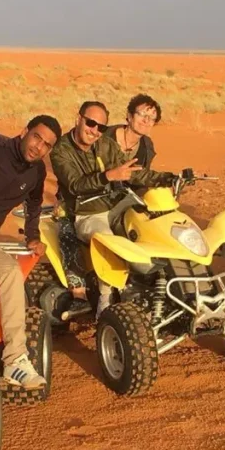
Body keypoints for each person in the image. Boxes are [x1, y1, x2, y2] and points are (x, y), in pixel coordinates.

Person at [49, 100, 175, 317]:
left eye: (102, 127)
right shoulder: (61, 151)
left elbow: (132, 172)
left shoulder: (105, 145)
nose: (95, 131)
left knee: (151, 228)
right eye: (91, 123)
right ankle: (105, 306)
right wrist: (108, 176)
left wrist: (166, 177)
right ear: (78, 119)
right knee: (108, 241)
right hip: (85, 213)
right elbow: (75, 185)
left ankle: (159, 290)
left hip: (116, 207)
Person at [0, 114, 61, 388]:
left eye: (46, 145)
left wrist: (32, 236)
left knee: (8, 271)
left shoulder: (37, 172)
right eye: (36, 137)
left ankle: (14, 359)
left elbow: (33, 204)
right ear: (24, 131)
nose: (38, 147)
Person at [103, 93, 161, 168]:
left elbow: (144, 175)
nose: (146, 120)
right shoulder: (104, 136)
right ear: (130, 116)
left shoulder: (147, 147)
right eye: (142, 114)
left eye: (152, 117)